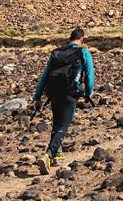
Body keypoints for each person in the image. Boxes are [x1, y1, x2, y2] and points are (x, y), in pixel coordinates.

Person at [31, 27, 95, 169]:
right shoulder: (83, 52)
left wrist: (37, 97)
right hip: (71, 92)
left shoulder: (57, 53)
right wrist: (89, 93)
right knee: (63, 127)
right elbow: (90, 75)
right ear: (81, 39)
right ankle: (48, 155)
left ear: (69, 38)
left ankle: (56, 155)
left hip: (53, 92)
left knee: (56, 123)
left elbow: (44, 76)